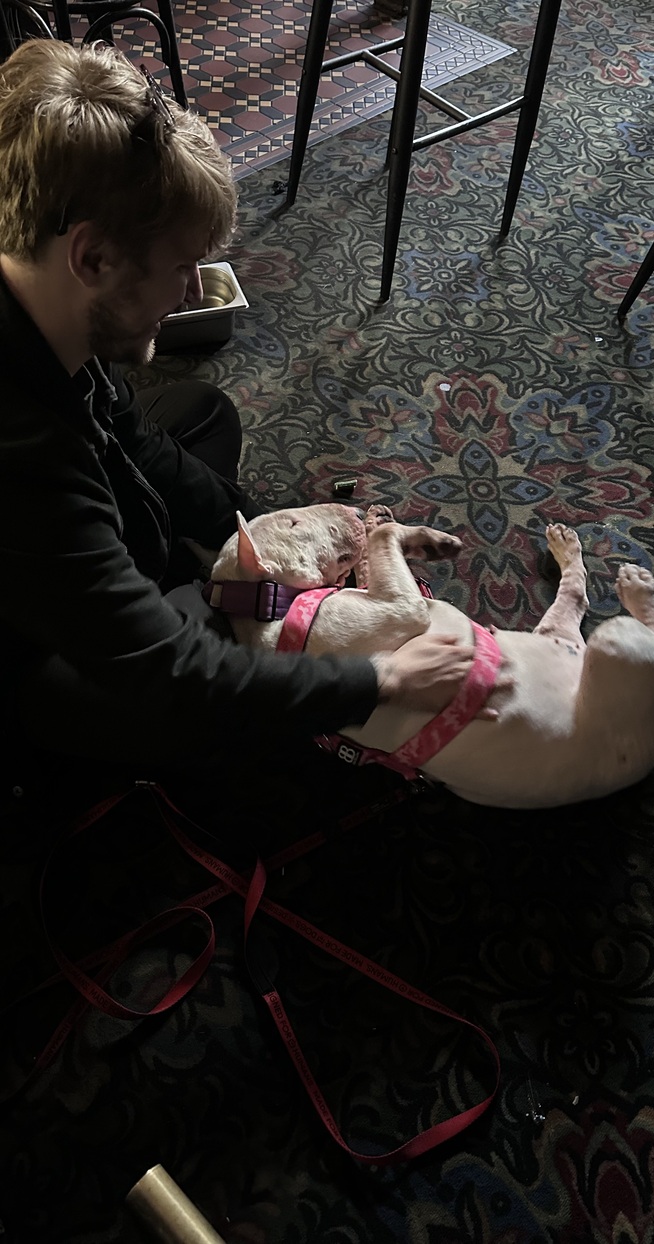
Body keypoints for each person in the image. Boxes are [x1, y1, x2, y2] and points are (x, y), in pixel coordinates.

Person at [0, 39, 476, 847]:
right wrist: (377, 679)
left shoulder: (48, 299)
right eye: (182, 266)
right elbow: (169, 675)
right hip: (29, 662)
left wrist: (264, 535)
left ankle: (181, 586)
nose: (192, 291)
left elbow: (132, 437)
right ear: (94, 256)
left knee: (205, 416)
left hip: (58, 535)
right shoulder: (23, 457)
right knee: (206, 694)